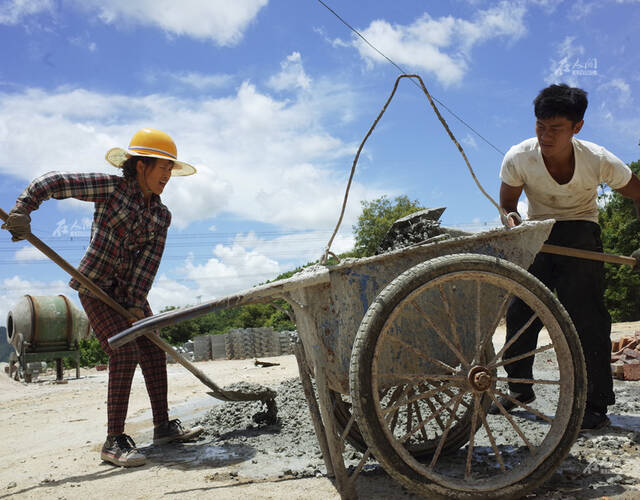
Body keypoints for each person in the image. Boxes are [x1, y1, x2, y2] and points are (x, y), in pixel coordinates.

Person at [2, 128, 204, 466]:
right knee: (124, 350)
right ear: (140, 165)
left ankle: (163, 426)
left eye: (171, 169)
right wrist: (24, 208)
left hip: (129, 294)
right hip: (95, 288)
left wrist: (136, 304)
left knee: (153, 352)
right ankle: (113, 441)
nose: (167, 176)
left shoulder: (160, 215)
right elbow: (55, 182)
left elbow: (147, 265)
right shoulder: (110, 189)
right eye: (162, 167)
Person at [492, 84, 640, 430]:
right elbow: (508, 204)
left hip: (581, 231)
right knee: (520, 312)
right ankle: (519, 390)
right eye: (540, 126)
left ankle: (595, 403)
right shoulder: (519, 157)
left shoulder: (598, 159)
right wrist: (511, 220)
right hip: (538, 234)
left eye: (555, 129)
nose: (546, 135)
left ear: (577, 127)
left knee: (588, 316)